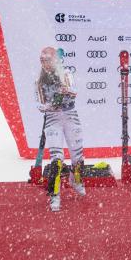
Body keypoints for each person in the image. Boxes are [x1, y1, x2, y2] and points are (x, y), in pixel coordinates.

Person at [36, 46, 86, 212]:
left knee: (77, 155)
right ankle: (54, 195)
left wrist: (67, 90)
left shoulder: (66, 74)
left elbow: (75, 91)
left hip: (70, 115)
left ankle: (76, 180)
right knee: (57, 159)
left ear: (55, 60)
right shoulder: (39, 80)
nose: (45, 63)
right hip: (53, 119)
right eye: (42, 60)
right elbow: (39, 104)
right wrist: (49, 105)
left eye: (48, 60)